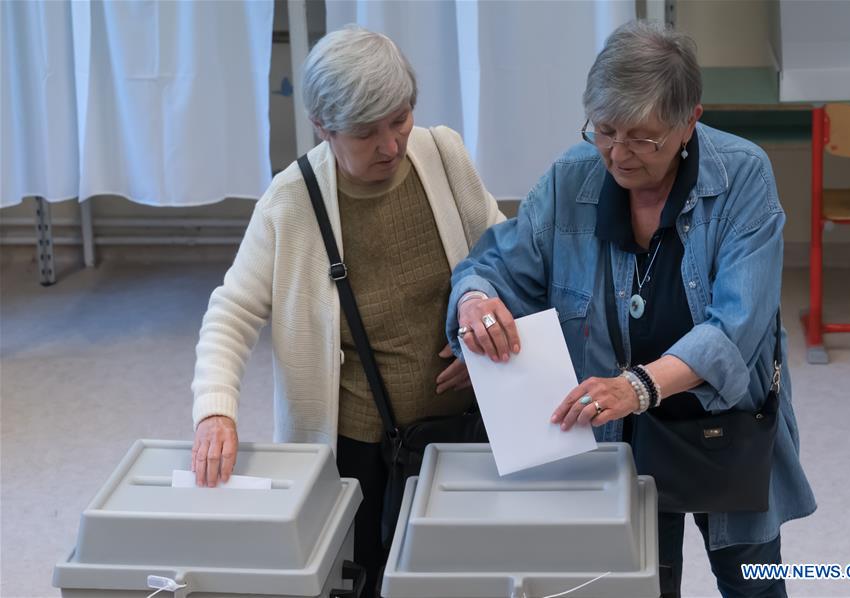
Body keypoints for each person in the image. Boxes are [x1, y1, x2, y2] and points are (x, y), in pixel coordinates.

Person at [447, 20, 815, 598]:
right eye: (605, 130)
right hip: (615, 437)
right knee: (637, 585)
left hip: (721, 426)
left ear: (689, 119)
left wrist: (639, 386)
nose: (618, 154)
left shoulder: (743, 175)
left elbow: (737, 327)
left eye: (643, 138)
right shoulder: (575, 175)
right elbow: (495, 265)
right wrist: (475, 302)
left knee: (754, 582)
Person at [190, 25, 504, 597]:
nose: (391, 145)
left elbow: (506, 259)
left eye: (400, 119)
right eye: (365, 132)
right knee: (364, 577)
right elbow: (231, 312)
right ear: (322, 127)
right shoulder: (289, 203)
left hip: (464, 427)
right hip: (360, 446)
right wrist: (216, 411)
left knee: (465, 575)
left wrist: (478, 338)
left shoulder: (444, 153)